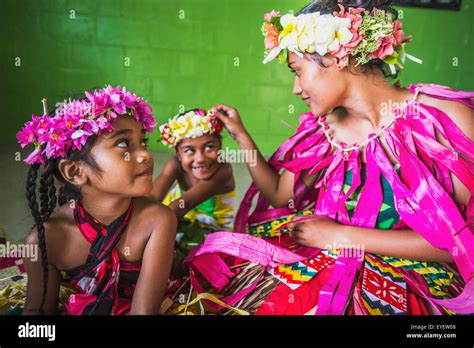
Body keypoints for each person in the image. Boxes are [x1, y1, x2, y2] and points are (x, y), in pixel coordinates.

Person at [167, 0, 474, 315]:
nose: (295, 88)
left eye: (297, 71)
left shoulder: (442, 120)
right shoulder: (325, 130)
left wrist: (340, 235)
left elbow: (464, 243)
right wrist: (241, 135)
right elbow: (277, 194)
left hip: (411, 275)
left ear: (335, 55)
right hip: (329, 255)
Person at [18, 85, 176, 315]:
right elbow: (37, 312)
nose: (145, 155)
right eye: (124, 144)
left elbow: (143, 312)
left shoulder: (158, 220)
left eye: (143, 142)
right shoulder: (47, 239)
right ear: (75, 172)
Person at [150, 109, 236, 259]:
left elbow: (183, 204)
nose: (201, 158)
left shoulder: (224, 170)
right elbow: (152, 197)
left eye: (209, 147)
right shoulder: (175, 164)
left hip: (212, 225)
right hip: (176, 212)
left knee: (204, 258)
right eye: (189, 150)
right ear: (178, 154)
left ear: (220, 148)